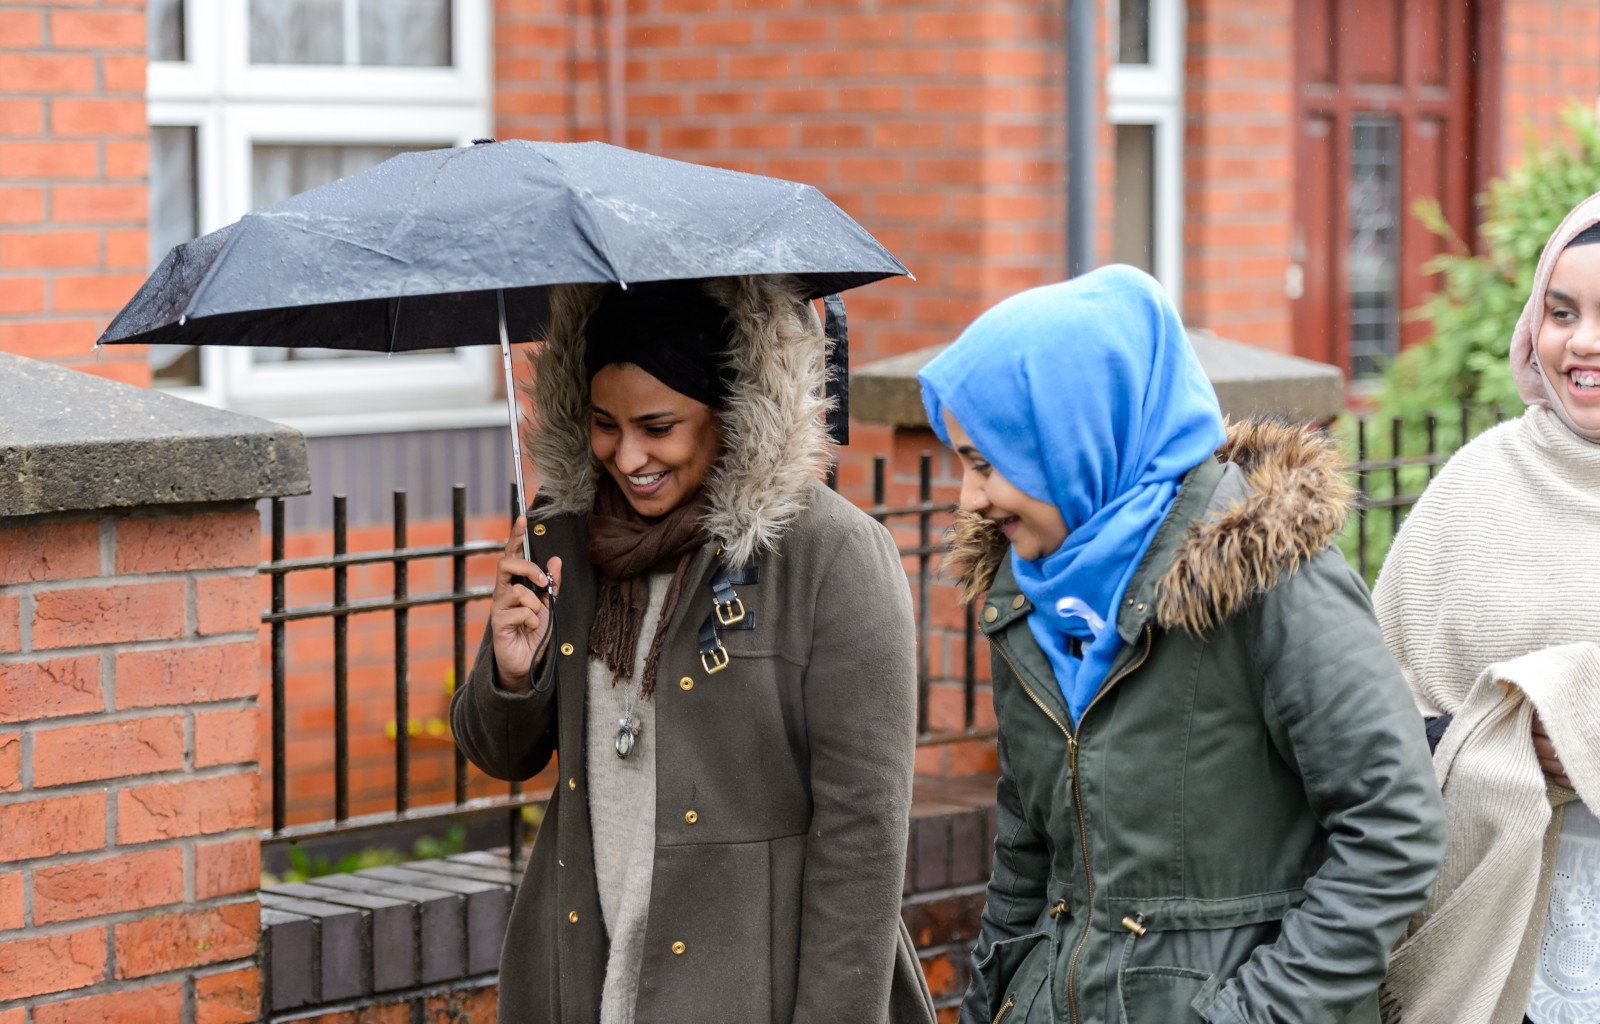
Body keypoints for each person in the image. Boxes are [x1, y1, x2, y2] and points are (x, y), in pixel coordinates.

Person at [917, 265, 1447, 1024]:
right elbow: (1026, 853)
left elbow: (1394, 830)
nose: (970, 497)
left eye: (985, 464)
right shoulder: (1026, 595)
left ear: (1072, 437)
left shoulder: (1271, 578)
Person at [450, 277, 935, 1024]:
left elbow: (863, 837)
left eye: (658, 425)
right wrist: (514, 675)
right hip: (581, 971)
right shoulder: (563, 538)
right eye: (604, 423)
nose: (626, 454)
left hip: (752, 987)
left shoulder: (829, 557)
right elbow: (502, 754)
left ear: (731, 411)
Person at [1374, 193, 1600, 1024]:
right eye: (1562, 311)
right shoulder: (1479, 483)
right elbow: (1374, 698)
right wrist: (1490, 738)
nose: (1583, 343)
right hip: (1490, 937)